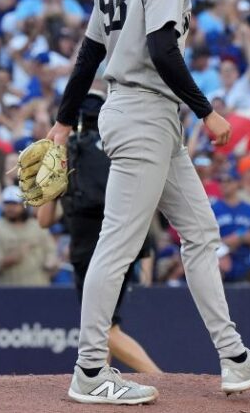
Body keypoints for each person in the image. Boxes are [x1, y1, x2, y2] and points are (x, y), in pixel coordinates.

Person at [44, 0, 250, 405]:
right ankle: (89, 370)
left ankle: (236, 358)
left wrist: (63, 123)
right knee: (118, 244)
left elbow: (89, 56)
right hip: (142, 113)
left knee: (201, 232)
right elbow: (162, 47)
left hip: (143, 114)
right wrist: (207, 110)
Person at [37, 91, 161, 374]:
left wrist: (56, 196)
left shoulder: (59, 152)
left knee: (103, 329)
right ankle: (101, 383)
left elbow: (43, 220)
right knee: (105, 324)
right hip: (130, 241)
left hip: (88, 248)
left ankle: (164, 381)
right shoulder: (122, 145)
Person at [0, 186, 57, 286]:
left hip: (39, 288)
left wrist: (51, 262)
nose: (10, 208)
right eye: (7, 204)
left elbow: (51, 252)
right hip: (9, 290)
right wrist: (15, 256)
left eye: (14, 204)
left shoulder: (38, 227)